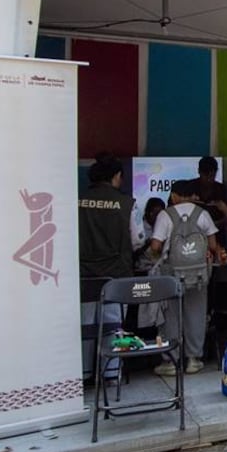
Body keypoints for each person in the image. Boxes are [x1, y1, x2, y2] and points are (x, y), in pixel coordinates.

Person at [148, 180, 223, 375]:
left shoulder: (166, 215)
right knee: (196, 315)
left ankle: (171, 361)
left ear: (174, 195)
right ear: (193, 195)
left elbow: (156, 246)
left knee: (170, 316)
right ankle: (193, 359)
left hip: (171, 275)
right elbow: (213, 246)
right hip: (198, 275)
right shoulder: (203, 214)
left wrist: (156, 257)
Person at [78, 153, 141, 380]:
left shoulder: (78, 201)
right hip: (116, 276)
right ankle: (112, 374)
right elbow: (137, 240)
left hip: (83, 276)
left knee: (84, 328)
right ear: (116, 176)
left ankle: (84, 374)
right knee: (113, 327)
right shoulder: (126, 204)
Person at [190, 156, 227, 252]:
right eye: (205, 175)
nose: (208, 180)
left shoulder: (224, 190)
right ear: (199, 172)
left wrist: (225, 210)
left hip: (219, 243)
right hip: (193, 243)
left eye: (211, 176)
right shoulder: (189, 189)